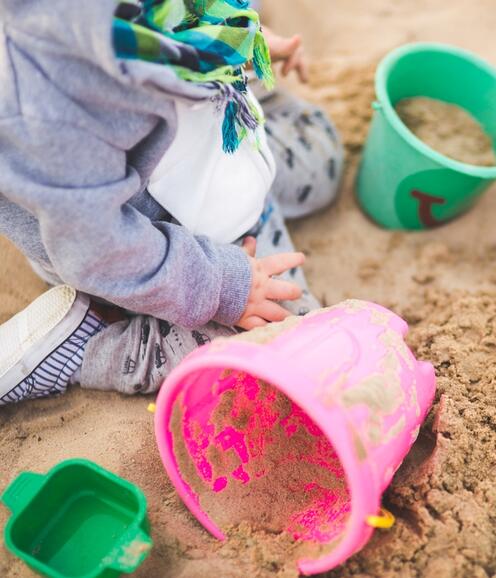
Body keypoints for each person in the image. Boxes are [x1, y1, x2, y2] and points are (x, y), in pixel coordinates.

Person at [0, 0, 343, 404]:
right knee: (294, 342)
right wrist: (224, 287)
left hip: (211, 155)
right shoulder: (46, 104)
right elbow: (100, 252)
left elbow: (185, 19)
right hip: (153, 251)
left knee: (323, 157)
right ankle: (89, 348)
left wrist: (240, 44)